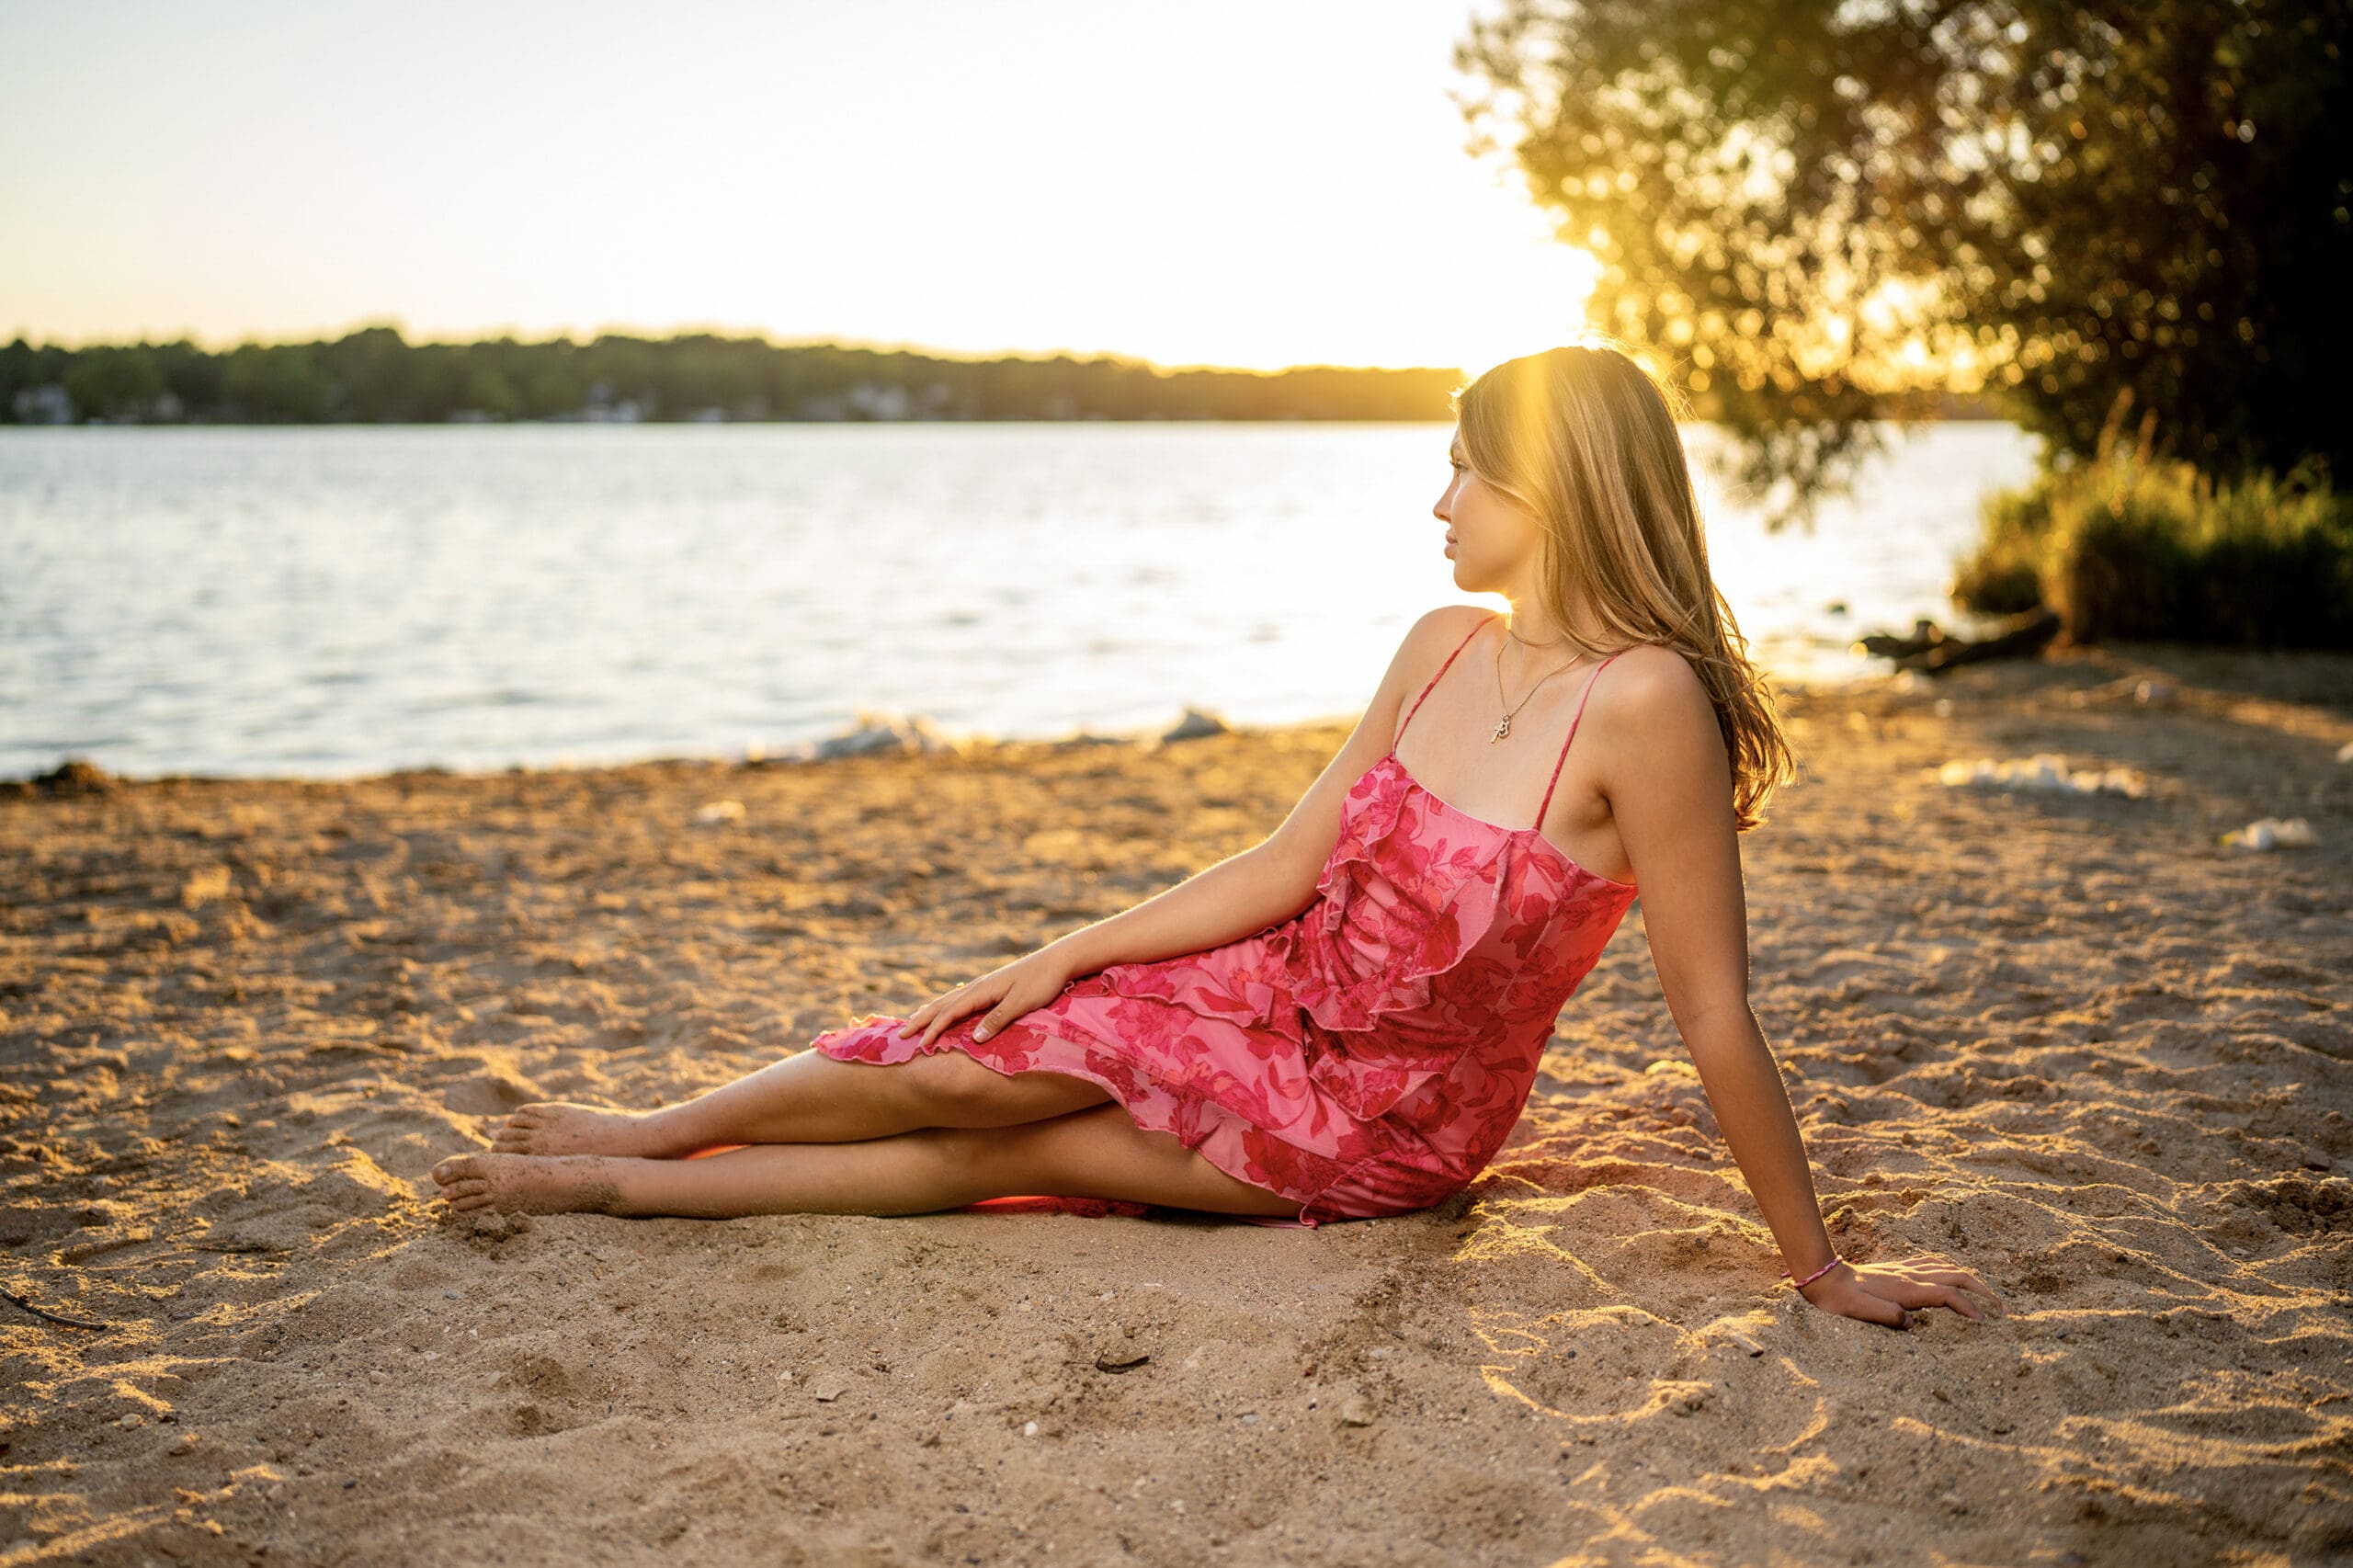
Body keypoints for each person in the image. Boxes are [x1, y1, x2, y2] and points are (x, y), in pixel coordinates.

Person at [432, 343, 2006, 1331]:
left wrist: (1819, 1268)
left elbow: (1714, 1010)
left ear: (1557, 485)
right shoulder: (1441, 645)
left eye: (1465, 468)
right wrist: (1067, 952)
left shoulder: (1649, 703)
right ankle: (652, 1131)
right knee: (960, 1055)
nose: (1441, 502)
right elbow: (1284, 865)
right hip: (1264, 991)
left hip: (1383, 1114)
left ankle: (626, 1193)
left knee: (1008, 1149)